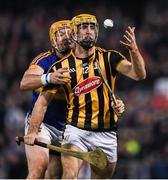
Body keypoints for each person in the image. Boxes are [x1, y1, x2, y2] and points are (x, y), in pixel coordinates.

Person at [24, 13, 143, 179]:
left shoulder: (109, 57)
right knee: (63, 174)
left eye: (92, 27)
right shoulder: (58, 66)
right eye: (83, 27)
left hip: (106, 132)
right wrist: (32, 131)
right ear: (74, 33)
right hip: (74, 129)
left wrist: (134, 51)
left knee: (60, 174)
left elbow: (139, 75)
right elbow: (39, 99)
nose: (88, 31)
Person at [20, 20, 72, 179]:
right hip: (42, 123)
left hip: (68, 128)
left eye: (70, 33)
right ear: (53, 40)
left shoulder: (85, 61)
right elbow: (25, 82)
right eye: (61, 34)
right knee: (39, 168)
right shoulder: (44, 60)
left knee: (56, 174)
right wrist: (49, 77)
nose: (66, 37)